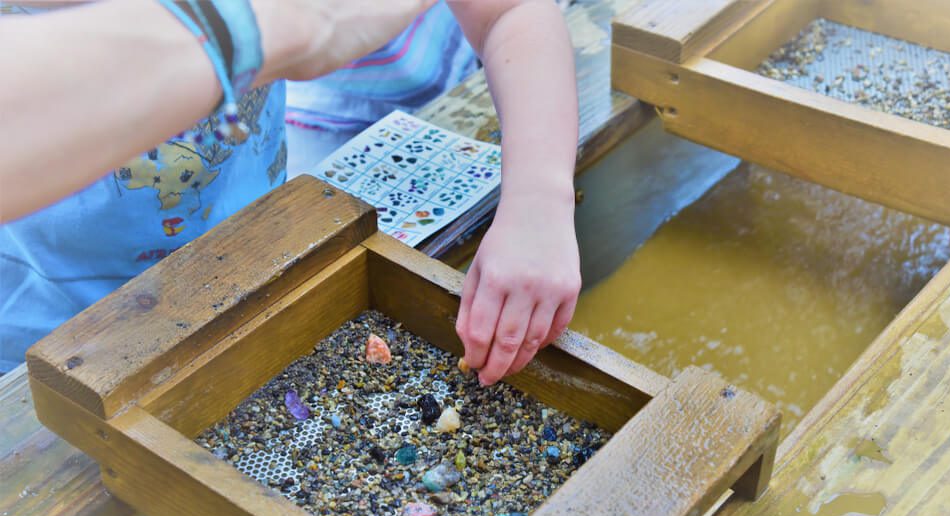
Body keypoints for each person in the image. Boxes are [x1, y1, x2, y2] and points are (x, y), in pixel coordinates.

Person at [0, 0, 581, 386]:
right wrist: (280, 29)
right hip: (41, 347)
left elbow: (508, 10)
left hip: (256, 267)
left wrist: (537, 199)